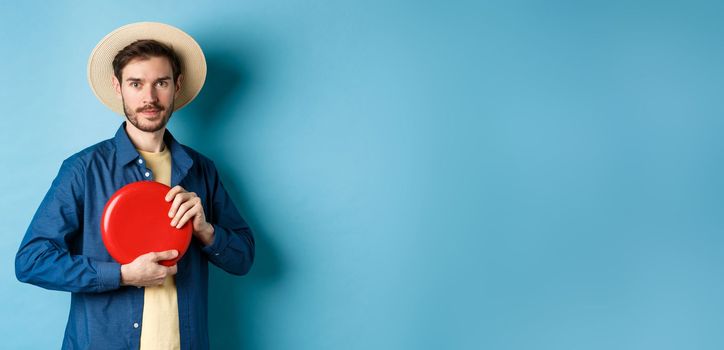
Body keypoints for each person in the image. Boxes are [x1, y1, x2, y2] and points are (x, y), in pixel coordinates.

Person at [14, 22, 255, 350]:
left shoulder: (202, 171)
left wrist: (206, 231)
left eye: (161, 83)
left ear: (177, 86)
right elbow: (31, 261)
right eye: (136, 83)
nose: (149, 97)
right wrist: (123, 275)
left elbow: (243, 259)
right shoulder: (83, 169)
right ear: (119, 87)